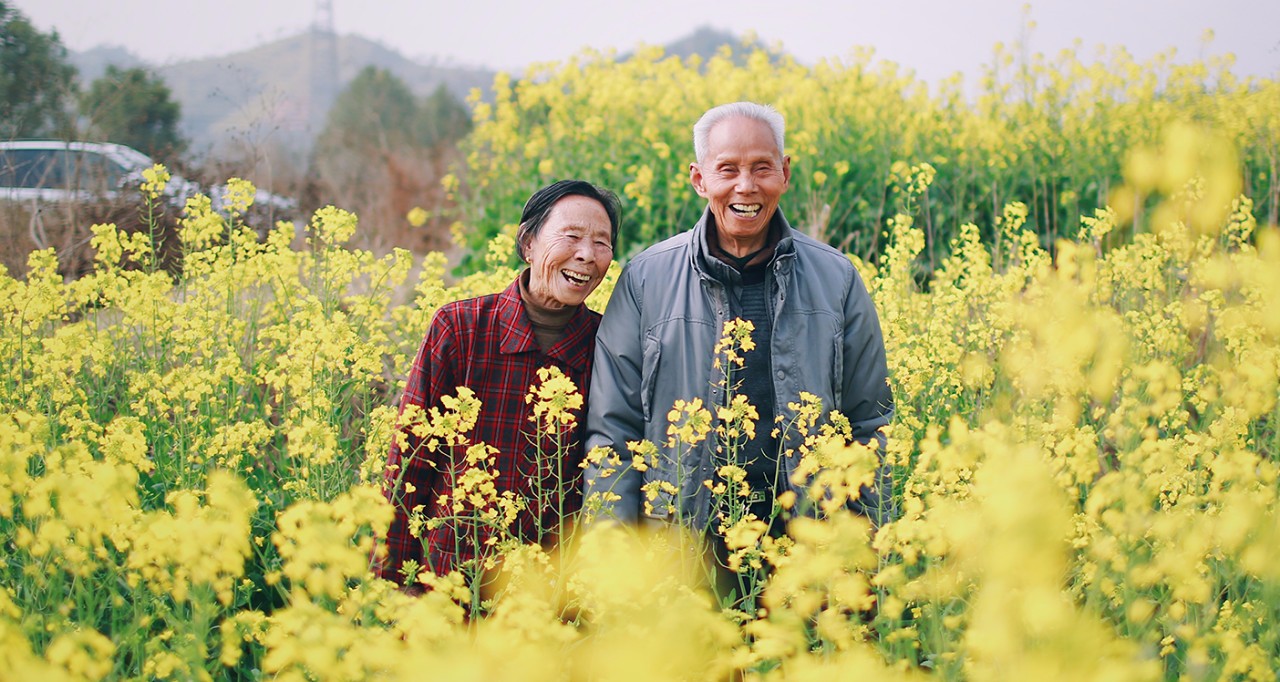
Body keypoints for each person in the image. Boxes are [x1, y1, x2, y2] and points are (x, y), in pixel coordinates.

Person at [583, 101, 894, 539]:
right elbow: (613, 431)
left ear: (785, 173)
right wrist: (613, 553)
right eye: (727, 169)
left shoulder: (836, 278)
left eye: (762, 168)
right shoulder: (645, 280)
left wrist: (864, 549)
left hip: (809, 544)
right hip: (681, 546)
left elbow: (871, 424)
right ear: (699, 179)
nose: (745, 187)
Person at [377, 179, 621, 588]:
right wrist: (386, 585)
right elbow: (408, 463)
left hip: (546, 598)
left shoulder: (609, 344)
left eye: (602, 243)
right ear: (527, 243)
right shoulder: (460, 329)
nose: (586, 255)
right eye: (572, 236)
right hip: (448, 582)